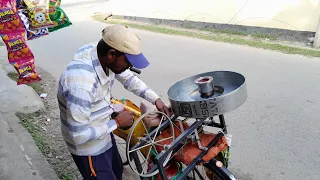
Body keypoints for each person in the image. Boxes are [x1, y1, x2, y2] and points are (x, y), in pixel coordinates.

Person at [57, 24, 170, 180]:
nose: (130, 66)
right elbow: (78, 135)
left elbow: (129, 78)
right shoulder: (81, 84)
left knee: (116, 172)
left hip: (103, 132)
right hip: (89, 148)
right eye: (128, 61)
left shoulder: (100, 54)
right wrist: (117, 122)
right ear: (111, 54)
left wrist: (155, 98)